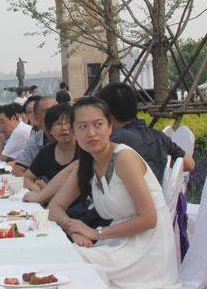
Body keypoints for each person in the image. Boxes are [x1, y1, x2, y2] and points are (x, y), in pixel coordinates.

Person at [49, 97, 179, 288]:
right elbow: (55, 207)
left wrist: (95, 233)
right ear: (74, 132)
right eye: (83, 127)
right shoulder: (87, 163)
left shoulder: (124, 158)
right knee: (59, 258)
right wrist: (74, 229)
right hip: (119, 243)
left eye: (98, 124)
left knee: (67, 264)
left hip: (147, 252)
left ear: (110, 127)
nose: (91, 133)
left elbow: (149, 219)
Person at [95, 82, 194, 180]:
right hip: (158, 195)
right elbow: (189, 164)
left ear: (107, 113)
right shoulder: (158, 136)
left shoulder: (112, 139)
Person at [23, 104, 78, 192]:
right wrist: (38, 189)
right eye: (58, 123)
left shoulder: (85, 151)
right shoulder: (47, 152)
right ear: (50, 130)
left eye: (68, 122)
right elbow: (27, 178)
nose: (64, 128)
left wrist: (47, 191)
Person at [13, 97, 56, 177]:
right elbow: (17, 171)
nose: (54, 114)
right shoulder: (36, 140)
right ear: (36, 119)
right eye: (48, 111)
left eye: (57, 109)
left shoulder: (72, 138)